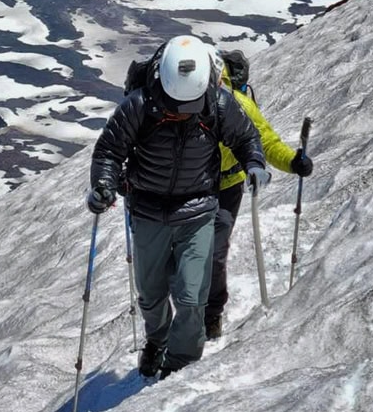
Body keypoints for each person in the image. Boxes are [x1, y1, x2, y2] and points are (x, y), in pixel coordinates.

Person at [87, 35, 269, 379]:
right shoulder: (138, 107)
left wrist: (255, 164)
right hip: (147, 211)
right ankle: (157, 340)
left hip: (198, 210)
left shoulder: (217, 103)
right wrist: (103, 186)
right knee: (151, 293)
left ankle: (180, 363)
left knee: (191, 296)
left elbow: (246, 138)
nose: (183, 113)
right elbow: (109, 151)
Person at [204, 47, 314, 340]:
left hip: (221, 187)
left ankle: (209, 316)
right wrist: (293, 161)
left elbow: (263, 140)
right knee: (210, 254)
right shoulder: (232, 101)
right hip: (220, 186)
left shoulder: (234, 104)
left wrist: (292, 161)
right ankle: (205, 316)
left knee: (211, 253)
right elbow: (267, 140)